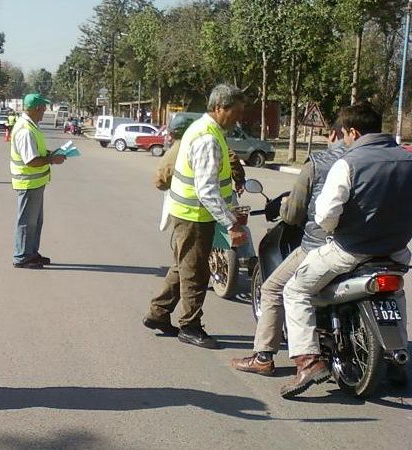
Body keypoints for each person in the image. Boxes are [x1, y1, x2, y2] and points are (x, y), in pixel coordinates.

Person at [280, 101, 412, 398]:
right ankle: (396, 361)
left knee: (295, 290)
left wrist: (332, 231)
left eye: (345, 134)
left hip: (350, 250)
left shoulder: (349, 163)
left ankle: (308, 361)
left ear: (352, 131)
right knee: (396, 294)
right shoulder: (407, 160)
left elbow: (326, 214)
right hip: (394, 252)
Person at [230, 122, 348, 376]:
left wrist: (284, 209)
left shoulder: (319, 162)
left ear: (339, 133)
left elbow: (295, 212)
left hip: (322, 244)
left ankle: (264, 356)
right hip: (375, 246)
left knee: (273, 288)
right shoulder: (377, 160)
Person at [142, 84, 248, 349]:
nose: (238, 117)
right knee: (196, 274)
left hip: (189, 214)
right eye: (235, 111)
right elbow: (207, 189)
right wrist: (230, 223)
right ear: (219, 108)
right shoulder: (208, 138)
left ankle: (158, 313)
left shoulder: (208, 130)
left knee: (182, 267)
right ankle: (190, 326)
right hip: (193, 217)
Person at [11, 93, 67, 269]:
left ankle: (31, 253)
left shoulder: (31, 126)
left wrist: (51, 154)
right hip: (28, 183)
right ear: (36, 108)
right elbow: (31, 160)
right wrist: (52, 160)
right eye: (43, 107)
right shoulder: (26, 130)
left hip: (35, 183)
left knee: (35, 222)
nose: (45, 110)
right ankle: (22, 256)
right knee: (27, 222)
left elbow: (36, 152)